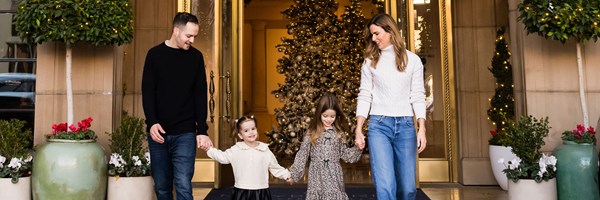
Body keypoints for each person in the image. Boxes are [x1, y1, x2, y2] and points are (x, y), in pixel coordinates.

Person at [353, 13, 427, 200]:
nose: (373, 38)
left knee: (409, 188)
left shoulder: (413, 60)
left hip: (406, 127)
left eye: (377, 33)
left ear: (390, 31)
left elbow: (418, 95)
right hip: (379, 126)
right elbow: (365, 94)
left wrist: (422, 128)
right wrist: (359, 128)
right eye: (372, 35)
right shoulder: (370, 62)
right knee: (385, 186)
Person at [141, 12, 213, 200]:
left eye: (194, 36)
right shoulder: (154, 55)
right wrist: (152, 122)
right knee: (162, 187)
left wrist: (202, 130)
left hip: (185, 133)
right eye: (188, 36)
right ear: (175, 31)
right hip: (159, 134)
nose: (192, 40)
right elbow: (148, 91)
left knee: (183, 184)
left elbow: (200, 94)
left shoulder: (196, 57)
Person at [288, 94, 363, 200]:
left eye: (332, 116)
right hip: (316, 179)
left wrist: (358, 147)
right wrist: (294, 175)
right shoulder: (312, 132)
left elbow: (346, 155)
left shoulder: (339, 133)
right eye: (325, 116)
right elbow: (302, 154)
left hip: (334, 178)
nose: (329, 119)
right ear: (319, 114)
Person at [202, 115, 292, 200]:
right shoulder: (236, 150)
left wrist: (287, 176)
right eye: (246, 130)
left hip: (261, 191)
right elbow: (222, 157)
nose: (251, 132)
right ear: (240, 135)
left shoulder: (264, 150)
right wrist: (209, 149)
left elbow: (275, 167)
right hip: (242, 191)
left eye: (253, 128)